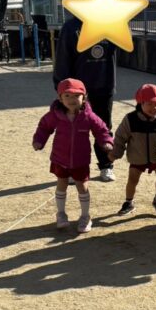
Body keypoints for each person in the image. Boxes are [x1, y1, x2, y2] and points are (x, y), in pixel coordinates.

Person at [53, 0, 118, 182]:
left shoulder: (109, 25)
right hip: (78, 91)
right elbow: (63, 59)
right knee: (76, 129)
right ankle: (74, 168)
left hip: (103, 85)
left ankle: (106, 165)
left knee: (103, 127)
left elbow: (121, 45)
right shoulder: (71, 28)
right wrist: (62, 87)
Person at [32, 77, 113, 233]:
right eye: (67, 95)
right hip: (60, 158)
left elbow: (102, 129)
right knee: (61, 184)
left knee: (82, 186)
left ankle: (85, 216)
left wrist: (106, 142)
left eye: (76, 95)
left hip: (80, 159)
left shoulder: (89, 116)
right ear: (60, 98)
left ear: (84, 97)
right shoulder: (55, 115)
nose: (72, 100)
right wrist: (39, 141)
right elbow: (44, 127)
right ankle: (61, 214)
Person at [111, 83, 156, 216]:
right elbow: (120, 137)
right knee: (133, 178)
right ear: (140, 103)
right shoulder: (130, 119)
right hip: (137, 156)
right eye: (149, 104)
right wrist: (116, 153)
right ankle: (129, 202)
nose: (154, 107)